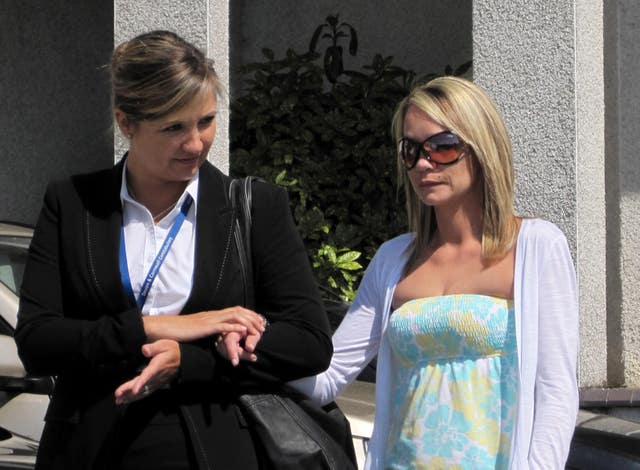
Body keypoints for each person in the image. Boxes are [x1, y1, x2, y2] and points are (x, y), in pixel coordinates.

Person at [15, 30, 332, 470]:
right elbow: (37, 341)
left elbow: (310, 344)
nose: (196, 143)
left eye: (205, 120)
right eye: (174, 127)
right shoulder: (72, 202)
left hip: (215, 447)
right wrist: (159, 327)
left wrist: (191, 360)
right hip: (88, 447)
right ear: (126, 123)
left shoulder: (255, 207)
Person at [290, 76, 579, 469]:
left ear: (482, 148)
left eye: (442, 147)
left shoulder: (537, 247)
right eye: (410, 150)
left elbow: (556, 390)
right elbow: (330, 375)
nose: (423, 163)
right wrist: (257, 352)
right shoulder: (394, 260)